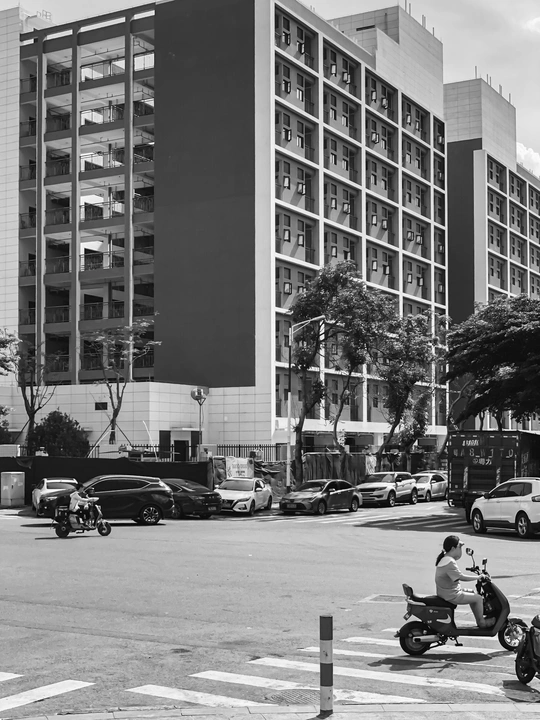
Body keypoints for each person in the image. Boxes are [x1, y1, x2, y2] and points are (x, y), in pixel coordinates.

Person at [435, 535, 495, 629]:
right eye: (459, 547)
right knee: (478, 598)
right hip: (452, 595)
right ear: (453, 548)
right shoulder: (449, 562)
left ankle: (479, 620)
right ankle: (482, 622)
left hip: (446, 592)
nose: (460, 550)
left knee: (472, 593)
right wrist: (478, 577)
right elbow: (461, 577)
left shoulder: (444, 559)